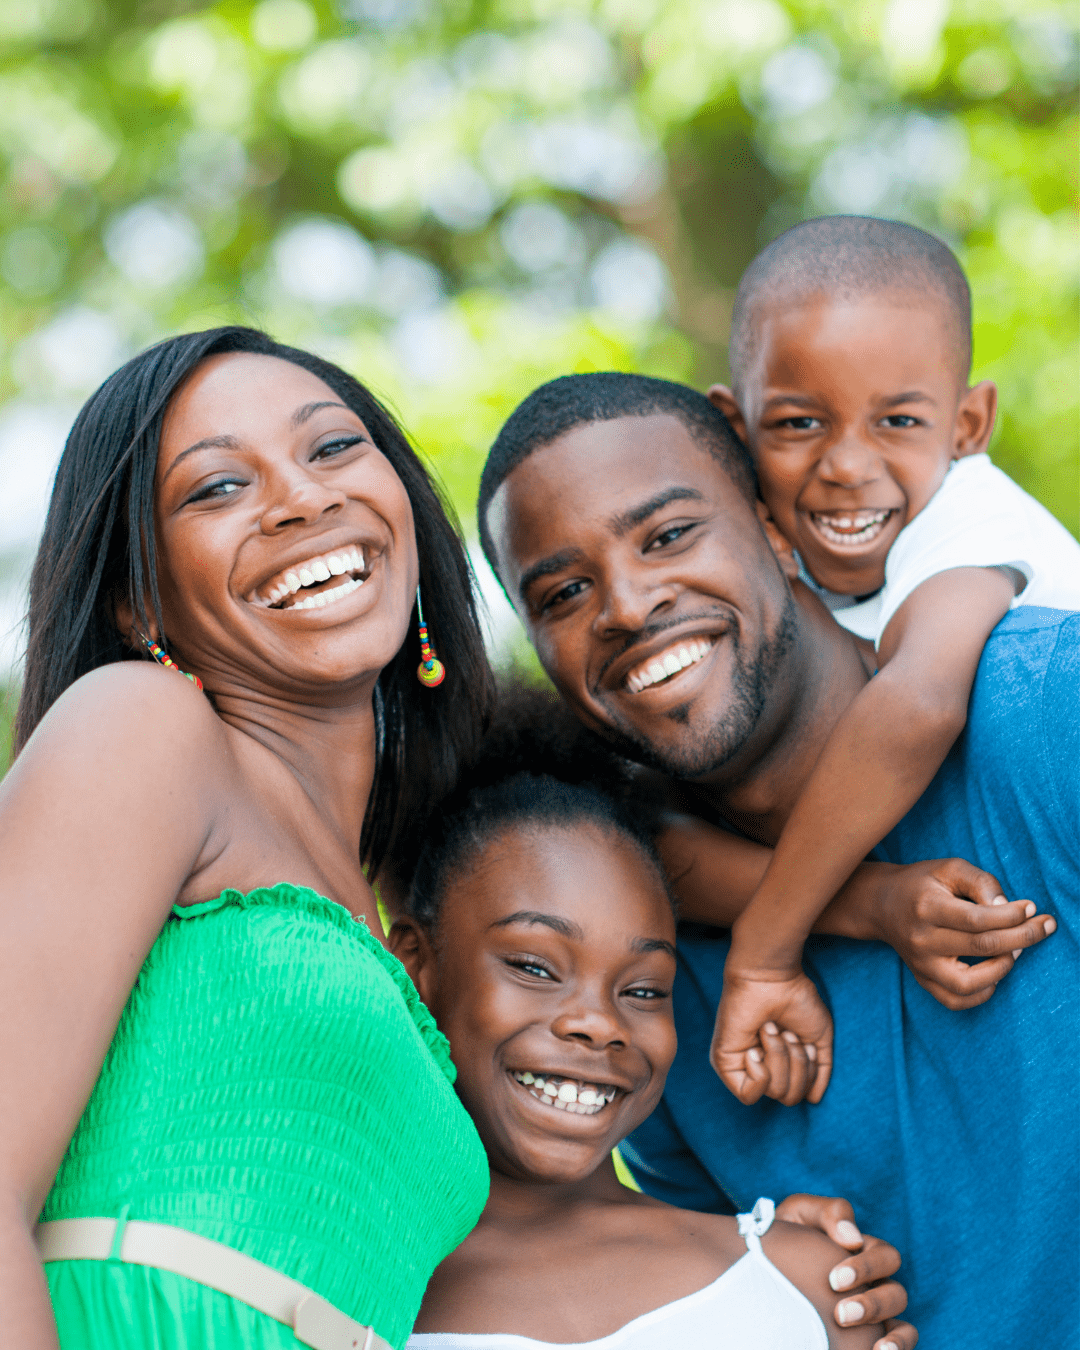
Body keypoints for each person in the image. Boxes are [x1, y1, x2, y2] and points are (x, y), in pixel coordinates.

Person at [475, 370, 1076, 1345]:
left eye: (668, 536)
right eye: (565, 592)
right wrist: (751, 1278)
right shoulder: (638, 984)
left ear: (773, 522)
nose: (625, 605)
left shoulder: (1040, 710)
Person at [0, 326, 494, 1349]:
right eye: (216, 487)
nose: (306, 499)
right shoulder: (141, 727)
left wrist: (749, 1254)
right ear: (141, 602)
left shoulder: (391, 918)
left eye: (333, 449)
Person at [699, 216, 1080, 1105]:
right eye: (798, 423)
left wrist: (765, 949)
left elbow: (917, 705)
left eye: (898, 421)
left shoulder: (972, 519)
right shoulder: (769, 565)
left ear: (968, 423)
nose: (846, 467)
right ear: (734, 428)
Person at [385, 703, 901, 1350]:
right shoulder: (346, 1292)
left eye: (643, 989)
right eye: (534, 967)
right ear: (414, 965)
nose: (599, 1024)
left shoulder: (803, 1286)